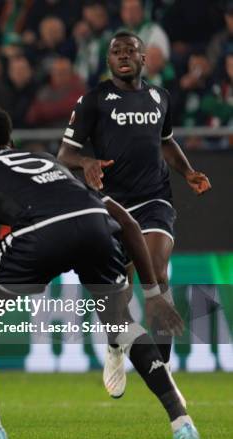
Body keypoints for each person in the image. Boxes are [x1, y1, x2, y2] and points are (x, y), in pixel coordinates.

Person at [0, 106, 199, 439]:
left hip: (40, 232)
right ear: (11, 141)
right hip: (95, 224)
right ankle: (182, 422)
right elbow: (128, 224)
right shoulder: (46, 161)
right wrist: (153, 294)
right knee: (120, 321)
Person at [57, 31, 211, 402]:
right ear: (108, 60)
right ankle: (114, 349)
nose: (124, 55)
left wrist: (187, 171)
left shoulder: (160, 97)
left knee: (156, 276)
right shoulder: (93, 101)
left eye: (131, 51)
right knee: (117, 291)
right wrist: (88, 161)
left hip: (155, 200)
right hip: (111, 205)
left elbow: (166, 140)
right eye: (116, 51)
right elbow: (65, 155)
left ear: (144, 59)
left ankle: (165, 376)